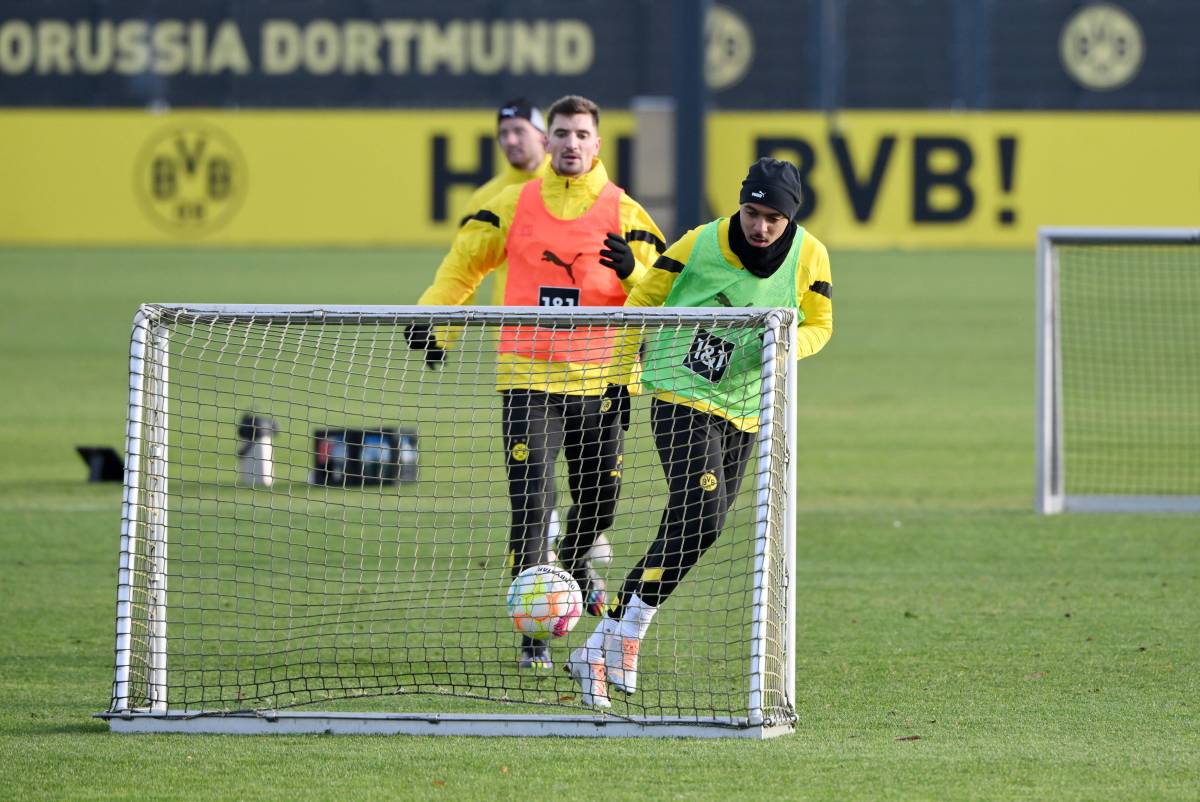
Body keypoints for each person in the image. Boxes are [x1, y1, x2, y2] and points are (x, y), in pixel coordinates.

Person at [405, 94, 666, 672]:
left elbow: (667, 296)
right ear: (546, 142)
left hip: (605, 384)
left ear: (598, 144)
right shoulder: (513, 204)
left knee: (598, 509)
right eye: (562, 134)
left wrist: (633, 272)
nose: (571, 144)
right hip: (528, 378)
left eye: (581, 135)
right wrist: (435, 323)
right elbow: (462, 265)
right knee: (532, 506)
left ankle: (572, 571)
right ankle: (534, 638)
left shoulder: (627, 213)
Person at [567, 157, 834, 708]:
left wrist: (784, 348)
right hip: (679, 390)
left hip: (744, 406)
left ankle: (612, 638)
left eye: (773, 219)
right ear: (739, 204)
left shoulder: (811, 256)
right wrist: (621, 376)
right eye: (752, 212)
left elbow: (820, 324)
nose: (760, 226)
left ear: (790, 219)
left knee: (698, 529)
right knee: (703, 511)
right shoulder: (698, 243)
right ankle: (616, 640)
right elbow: (644, 299)